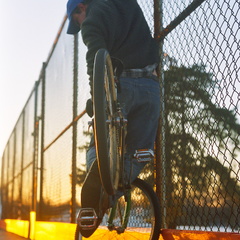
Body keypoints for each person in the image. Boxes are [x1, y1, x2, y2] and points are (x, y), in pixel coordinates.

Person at [67, 0, 160, 237]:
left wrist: (97, 98)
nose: (80, 26)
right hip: (150, 86)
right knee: (141, 151)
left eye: (76, 21)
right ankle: (108, 191)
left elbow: (95, 62)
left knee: (96, 144)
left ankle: (99, 186)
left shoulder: (91, 21)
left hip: (119, 88)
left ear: (81, 8)